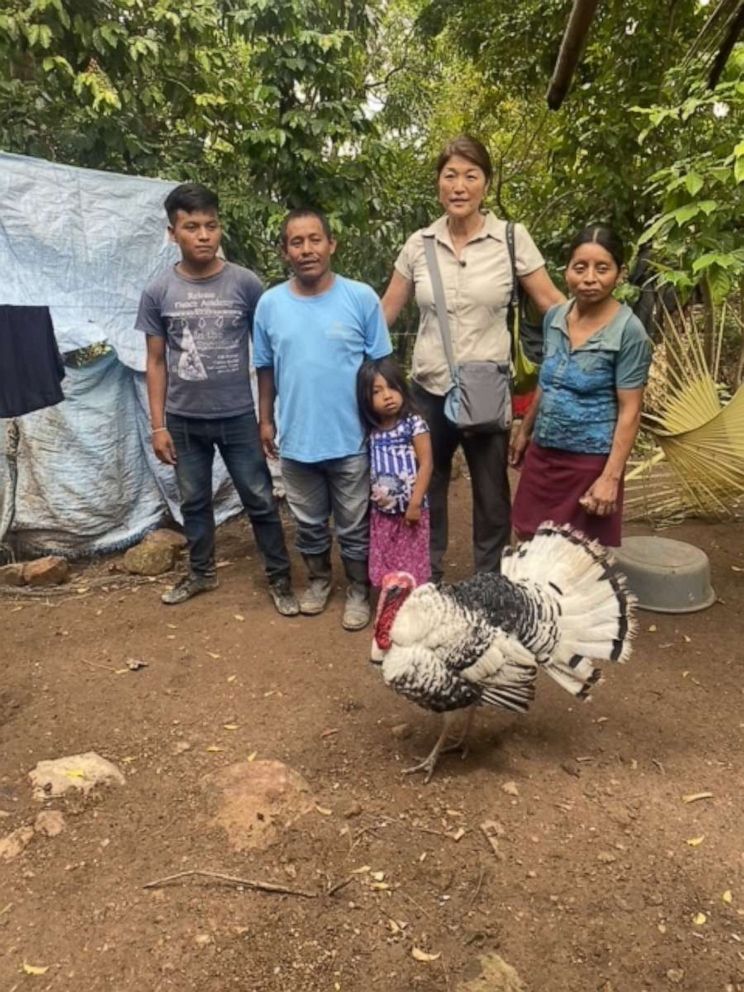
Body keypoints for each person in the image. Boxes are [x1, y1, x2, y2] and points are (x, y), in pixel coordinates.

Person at [381, 135, 564, 584]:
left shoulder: (510, 238)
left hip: (486, 389)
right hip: (428, 389)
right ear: (438, 184)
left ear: (485, 183)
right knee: (427, 486)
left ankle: (490, 582)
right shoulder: (418, 244)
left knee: (491, 494)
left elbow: (551, 304)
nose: (459, 186)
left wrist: (600, 334)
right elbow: (383, 313)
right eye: (450, 176)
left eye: (470, 175)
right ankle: (429, 580)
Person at [136, 182, 298, 615]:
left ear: (219, 227)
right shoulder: (158, 291)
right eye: (192, 227)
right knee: (193, 501)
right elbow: (156, 362)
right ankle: (201, 572)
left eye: (211, 225)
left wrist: (266, 417)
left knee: (260, 498)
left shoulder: (245, 284)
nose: (204, 235)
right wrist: (158, 425)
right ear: (173, 233)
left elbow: (264, 356)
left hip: (238, 415)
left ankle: (280, 577)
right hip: (184, 420)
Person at [254, 208, 392, 631]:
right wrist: (265, 420)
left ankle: (356, 589)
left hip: (351, 437)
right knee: (309, 522)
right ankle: (317, 580)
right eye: (297, 242)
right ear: (285, 251)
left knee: (354, 524)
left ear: (331, 244)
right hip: (297, 440)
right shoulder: (270, 304)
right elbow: (265, 369)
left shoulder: (361, 298)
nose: (307, 249)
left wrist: (384, 426)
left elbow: (382, 367)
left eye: (315, 239)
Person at [509, 224, 653, 546]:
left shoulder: (629, 332)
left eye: (602, 268)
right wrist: (525, 431)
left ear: (620, 273)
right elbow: (549, 380)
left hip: (589, 464)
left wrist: (610, 478)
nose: (589, 278)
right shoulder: (555, 318)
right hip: (544, 454)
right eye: (580, 267)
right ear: (567, 272)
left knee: (580, 559)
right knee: (527, 540)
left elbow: (630, 410)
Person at [357, 357, 433, 587]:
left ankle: (412, 604)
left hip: (410, 513)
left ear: (402, 388)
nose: (387, 395)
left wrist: (415, 503)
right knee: (387, 560)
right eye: (377, 391)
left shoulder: (413, 424)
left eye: (392, 387)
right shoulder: (372, 431)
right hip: (382, 514)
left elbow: (427, 463)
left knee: (412, 562)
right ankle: (390, 604)